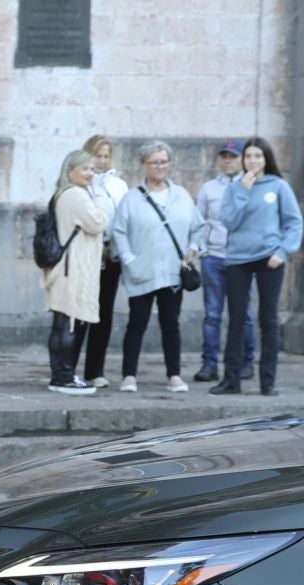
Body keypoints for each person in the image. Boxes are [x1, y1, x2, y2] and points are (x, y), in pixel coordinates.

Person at [211, 136, 302, 397]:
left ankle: (267, 382)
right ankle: (231, 381)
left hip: (269, 258)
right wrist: (243, 190)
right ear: (243, 160)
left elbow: (294, 222)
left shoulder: (278, 186)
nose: (252, 161)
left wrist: (283, 251)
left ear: (266, 159)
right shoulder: (235, 187)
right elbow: (229, 221)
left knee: (268, 319)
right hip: (238, 259)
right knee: (237, 319)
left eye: (257, 156)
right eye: (248, 156)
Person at [109, 141, 201, 393]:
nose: (160, 166)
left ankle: (174, 375)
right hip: (142, 271)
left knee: (171, 323)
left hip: (172, 271)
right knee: (137, 322)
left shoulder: (181, 195)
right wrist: (129, 259)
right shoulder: (131, 198)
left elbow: (198, 226)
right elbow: (118, 231)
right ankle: (129, 375)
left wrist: (193, 249)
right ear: (143, 165)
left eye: (163, 161)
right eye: (154, 162)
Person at [42, 149, 107, 395]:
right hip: (73, 268)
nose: (91, 173)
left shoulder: (61, 194)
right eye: (85, 169)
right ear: (71, 171)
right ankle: (65, 376)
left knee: (61, 324)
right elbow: (98, 222)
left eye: (92, 169)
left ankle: (59, 375)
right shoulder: (78, 195)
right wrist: (99, 196)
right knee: (68, 323)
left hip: (63, 266)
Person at [195, 141, 255, 382]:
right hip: (214, 257)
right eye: (224, 156)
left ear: (241, 159)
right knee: (212, 313)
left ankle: (245, 361)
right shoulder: (209, 188)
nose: (228, 160)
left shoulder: (251, 186)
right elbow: (198, 222)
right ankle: (209, 363)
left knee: (244, 314)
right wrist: (201, 250)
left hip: (242, 259)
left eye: (233, 156)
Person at [80, 134, 129, 388]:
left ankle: (95, 369)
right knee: (79, 312)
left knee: (103, 312)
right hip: (85, 252)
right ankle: (69, 366)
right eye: (97, 155)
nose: (101, 161)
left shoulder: (118, 186)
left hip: (110, 253)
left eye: (105, 156)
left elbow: (124, 217)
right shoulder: (80, 182)